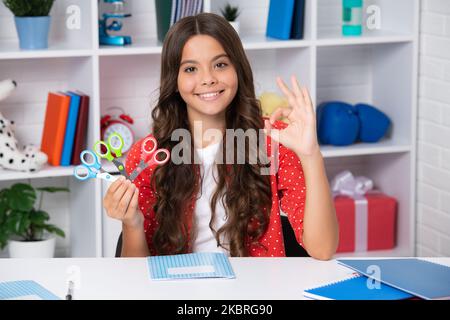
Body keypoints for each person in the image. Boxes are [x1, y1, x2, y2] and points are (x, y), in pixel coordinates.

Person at [103, 13, 338, 259]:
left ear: (237, 68)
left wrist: (311, 156)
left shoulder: (273, 140)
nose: (208, 79)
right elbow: (137, 277)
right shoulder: (147, 156)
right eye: (191, 68)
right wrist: (131, 222)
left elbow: (322, 250)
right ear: (175, 80)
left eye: (220, 64)